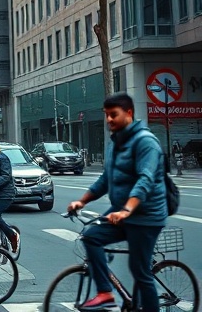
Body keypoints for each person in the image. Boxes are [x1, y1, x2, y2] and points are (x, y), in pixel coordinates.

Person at [66, 93, 167, 311]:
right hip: (122, 211)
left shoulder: (146, 142)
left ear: (129, 113)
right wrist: (81, 202)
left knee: (140, 271)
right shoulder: (115, 142)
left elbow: (145, 180)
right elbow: (105, 180)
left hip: (146, 215)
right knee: (91, 237)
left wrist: (128, 210)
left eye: (114, 114)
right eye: (106, 115)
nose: (109, 120)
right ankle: (105, 293)